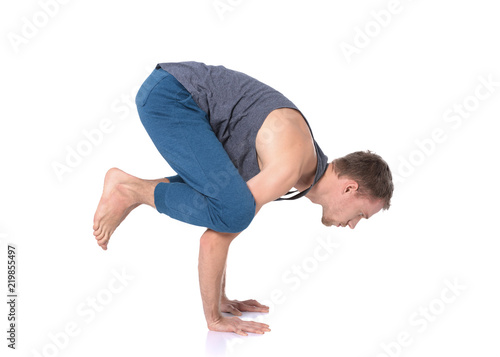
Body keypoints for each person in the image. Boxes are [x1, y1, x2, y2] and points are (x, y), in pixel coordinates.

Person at [92, 61, 394, 336]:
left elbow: (224, 228)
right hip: (172, 95)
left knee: (234, 205)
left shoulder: (300, 171)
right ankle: (128, 188)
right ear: (350, 188)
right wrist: (214, 318)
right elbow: (216, 237)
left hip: (174, 93)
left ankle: (129, 188)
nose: (353, 225)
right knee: (237, 210)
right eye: (361, 215)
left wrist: (221, 298)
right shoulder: (290, 165)